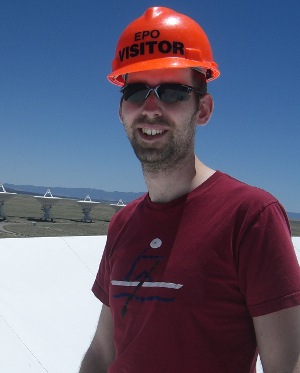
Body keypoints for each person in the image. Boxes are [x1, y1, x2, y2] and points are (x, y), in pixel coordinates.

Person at [79, 7, 300, 373]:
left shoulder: (251, 217)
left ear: (204, 109)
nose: (151, 108)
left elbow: (287, 364)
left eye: (173, 92)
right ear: (121, 110)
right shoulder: (122, 224)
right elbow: (104, 350)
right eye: (136, 91)